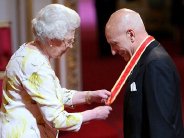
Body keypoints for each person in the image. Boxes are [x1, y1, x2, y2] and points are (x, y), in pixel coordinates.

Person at [0, 4, 112, 138]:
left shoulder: (30, 51)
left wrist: (89, 96)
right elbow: (57, 120)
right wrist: (94, 114)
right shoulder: (35, 66)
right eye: (68, 41)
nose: (70, 46)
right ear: (51, 40)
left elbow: (52, 94)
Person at [105, 8, 184, 138]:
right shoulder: (145, 58)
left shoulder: (156, 65)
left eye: (114, 43)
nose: (113, 51)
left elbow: (161, 129)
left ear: (131, 34)